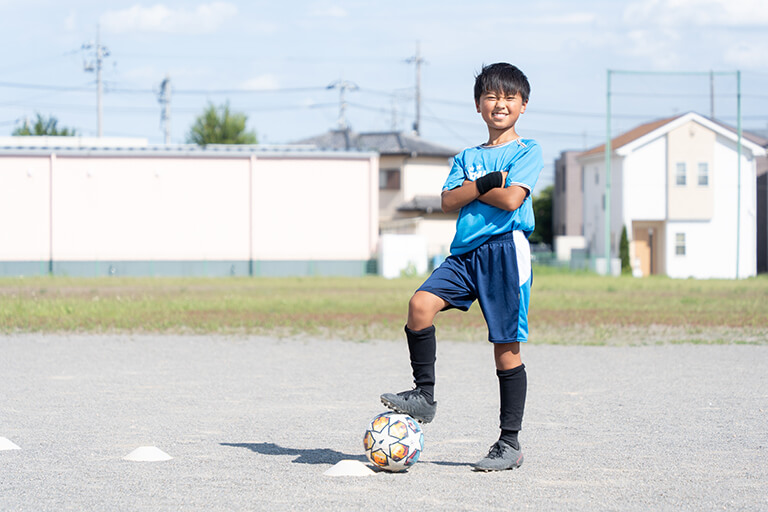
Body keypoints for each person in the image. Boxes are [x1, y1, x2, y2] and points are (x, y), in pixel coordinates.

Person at [380, 62, 543, 472]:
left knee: (505, 350)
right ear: (478, 105)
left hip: (506, 252)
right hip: (465, 254)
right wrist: (488, 182)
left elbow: (512, 201)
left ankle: (509, 443)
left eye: (509, 97)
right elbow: (447, 202)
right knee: (420, 305)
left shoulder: (528, 151)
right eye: (491, 96)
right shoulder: (467, 156)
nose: (499, 104)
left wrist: (474, 189)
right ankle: (424, 395)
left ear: (523, 105)